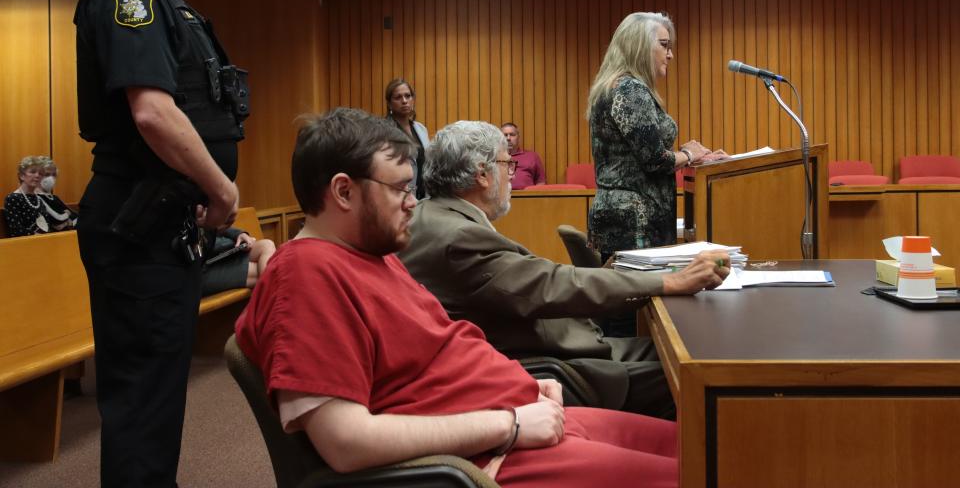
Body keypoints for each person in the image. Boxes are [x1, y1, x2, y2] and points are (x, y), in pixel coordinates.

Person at [235, 108, 680, 487]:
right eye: (400, 189)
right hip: (492, 456)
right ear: (343, 191)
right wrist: (510, 424)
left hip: (521, 411)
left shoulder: (371, 254)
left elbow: (438, 350)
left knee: (704, 441)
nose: (413, 202)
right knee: (701, 470)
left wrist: (522, 384)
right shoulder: (307, 276)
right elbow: (346, 443)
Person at [74, 0, 248, 487]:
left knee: (157, 397)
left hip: (161, 226)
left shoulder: (168, 2)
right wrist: (223, 191)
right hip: (137, 225)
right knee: (143, 403)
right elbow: (152, 112)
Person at [399, 120, 729, 420]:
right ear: (482, 174)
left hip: (548, 349)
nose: (511, 175)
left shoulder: (429, 216)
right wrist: (669, 281)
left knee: (683, 350)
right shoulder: (460, 236)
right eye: (507, 164)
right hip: (548, 367)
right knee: (706, 378)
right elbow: (553, 285)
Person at [585, 12, 725, 337]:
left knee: (625, 313)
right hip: (635, 223)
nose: (670, 54)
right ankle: (623, 378)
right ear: (639, 47)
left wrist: (692, 155)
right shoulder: (630, 89)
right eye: (664, 45)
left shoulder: (617, 86)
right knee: (628, 319)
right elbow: (654, 160)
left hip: (627, 218)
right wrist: (690, 154)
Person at [4, 155, 77, 237]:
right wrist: (40, 238)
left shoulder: (38, 198)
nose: (37, 176)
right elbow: (16, 230)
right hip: (26, 244)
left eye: (41, 173)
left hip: (45, 241)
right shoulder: (13, 198)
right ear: (22, 176)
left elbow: (47, 225)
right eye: (32, 172)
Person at [385, 78, 430, 199]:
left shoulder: (421, 129)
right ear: (389, 103)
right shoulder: (383, 131)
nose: (404, 101)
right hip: (398, 194)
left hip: (424, 195)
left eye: (408, 96)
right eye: (398, 97)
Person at [201, 227, 275, 295]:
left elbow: (214, 225)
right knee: (266, 272)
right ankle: (270, 305)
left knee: (267, 244)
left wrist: (239, 234)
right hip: (202, 270)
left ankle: (271, 305)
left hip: (224, 251)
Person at [500, 122, 546, 190]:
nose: (508, 138)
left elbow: (541, 182)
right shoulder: (493, 157)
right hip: (499, 198)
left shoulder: (532, 156)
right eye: (505, 135)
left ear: (518, 137)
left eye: (512, 135)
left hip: (527, 198)